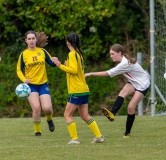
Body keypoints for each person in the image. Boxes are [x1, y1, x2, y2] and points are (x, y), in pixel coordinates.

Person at [85, 44, 150, 138]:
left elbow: (107, 73)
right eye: (110, 54)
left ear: (119, 53)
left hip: (143, 84)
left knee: (131, 107)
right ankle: (112, 114)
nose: (111, 56)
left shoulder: (124, 63)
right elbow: (135, 62)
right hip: (134, 81)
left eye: (112, 54)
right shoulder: (125, 60)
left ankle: (127, 133)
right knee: (122, 93)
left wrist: (90, 74)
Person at [52, 33, 104, 144]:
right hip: (84, 89)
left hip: (76, 90)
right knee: (85, 115)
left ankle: (75, 139)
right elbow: (74, 68)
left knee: (67, 115)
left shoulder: (72, 54)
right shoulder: (79, 54)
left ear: (68, 43)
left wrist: (59, 65)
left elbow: (74, 70)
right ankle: (99, 136)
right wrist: (66, 64)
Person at [16, 30, 56, 136]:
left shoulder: (42, 51)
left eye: (33, 38)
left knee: (47, 108)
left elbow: (52, 63)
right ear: (26, 41)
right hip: (31, 86)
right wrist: (24, 79)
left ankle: (49, 119)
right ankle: (37, 131)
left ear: (36, 39)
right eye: (29, 39)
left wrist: (56, 61)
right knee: (36, 108)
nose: (31, 40)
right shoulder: (23, 55)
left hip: (43, 84)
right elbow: (19, 70)